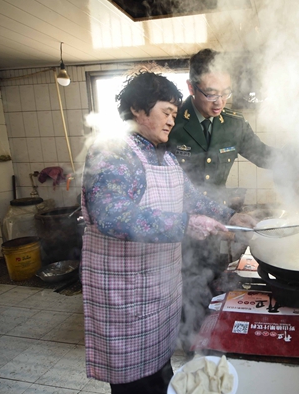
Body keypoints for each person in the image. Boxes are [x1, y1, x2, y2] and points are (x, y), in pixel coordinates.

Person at [80, 70, 253, 394]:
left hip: (158, 293)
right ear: (138, 109)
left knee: (160, 373)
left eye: (175, 113)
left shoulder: (163, 157)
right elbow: (110, 214)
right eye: (167, 112)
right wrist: (186, 224)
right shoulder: (113, 152)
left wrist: (233, 216)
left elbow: (192, 198)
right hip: (126, 295)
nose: (172, 120)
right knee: (135, 385)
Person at [166, 49, 276, 349]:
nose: (219, 102)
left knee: (212, 279)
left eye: (226, 93)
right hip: (177, 225)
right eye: (211, 93)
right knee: (184, 289)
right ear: (191, 87)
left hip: (215, 221)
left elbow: (265, 155)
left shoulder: (234, 123)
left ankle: (208, 344)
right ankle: (187, 348)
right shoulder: (171, 119)